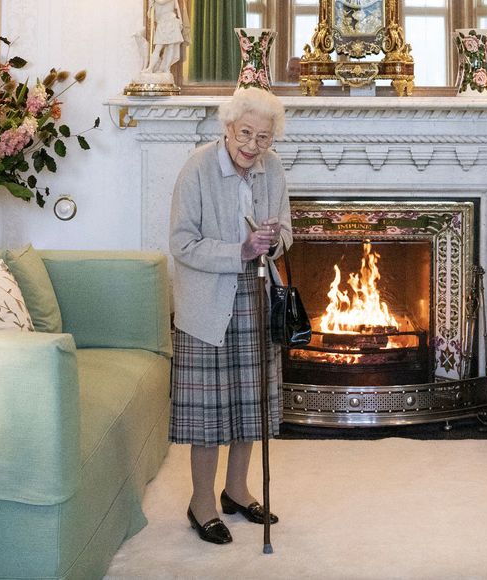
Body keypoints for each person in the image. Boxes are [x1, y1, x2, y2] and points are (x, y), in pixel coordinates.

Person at [168, 87, 290, 545]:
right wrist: (239, 250)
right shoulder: (198, 166)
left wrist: (273, 240)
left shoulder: (272, 168)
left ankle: (236, 491)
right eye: (246, 134)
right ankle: (201, 502)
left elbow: (287, 231)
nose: (253, 146)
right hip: (207, 303)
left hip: (256, 296)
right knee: (209, 413)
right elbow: (181, 243)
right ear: (227, 128)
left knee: (249, 404)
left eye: (263, 137)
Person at [142, 0, 189, 75]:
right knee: (158, 47)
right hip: (162, 23)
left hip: (171, 22)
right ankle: (150, 68)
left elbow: (163, 2)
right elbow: (151, 14)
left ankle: (166, 69)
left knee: (171, 47)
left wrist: (180, 21)